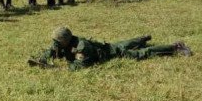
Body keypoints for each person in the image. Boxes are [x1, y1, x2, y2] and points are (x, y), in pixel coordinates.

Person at [29, 26, 192, 71]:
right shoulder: (62, 42)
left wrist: (56, 68)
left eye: (57, 41)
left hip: (111, 54)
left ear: (65, 40)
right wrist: (42, 59)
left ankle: (175, 46)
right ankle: (142, 39)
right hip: (108, 46)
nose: (55, 44)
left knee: (141, 54)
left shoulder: (81, 47)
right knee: (122, 42)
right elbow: (51, 50)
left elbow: (80, 66)